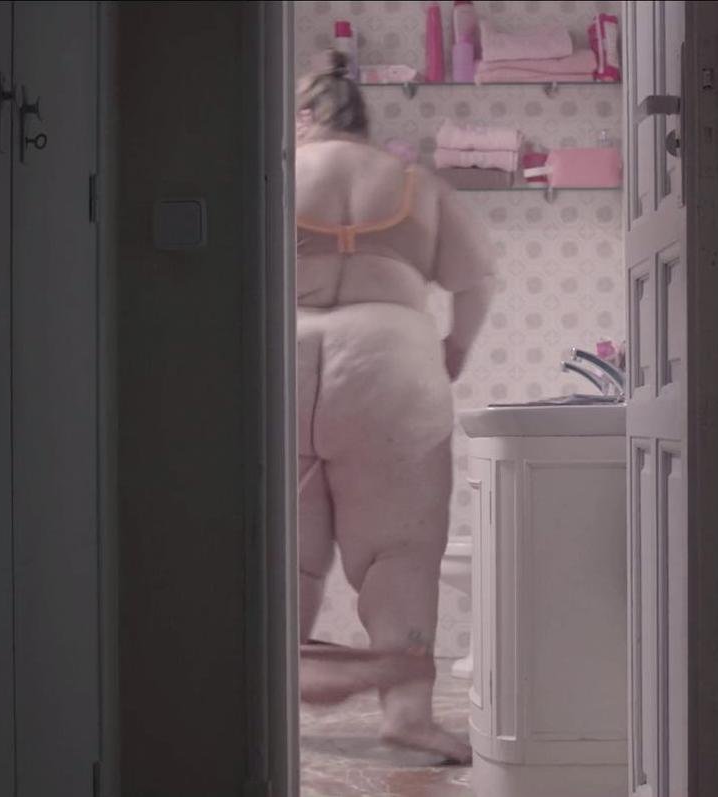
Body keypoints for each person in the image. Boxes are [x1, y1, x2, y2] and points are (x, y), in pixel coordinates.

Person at [291, 50, 495, 765]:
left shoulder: (274, 172)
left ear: (309, 113)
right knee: (399, 550)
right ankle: (408, 717)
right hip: (391, 359)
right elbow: (475, 280)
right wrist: (455, 347)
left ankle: (264, 701)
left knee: (284, 551)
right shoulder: (415, 183)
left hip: (285, 356)